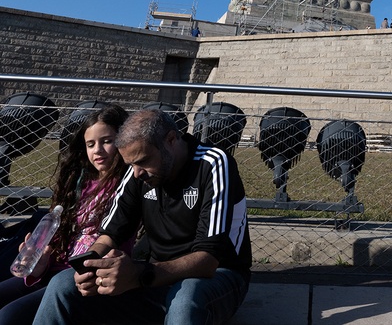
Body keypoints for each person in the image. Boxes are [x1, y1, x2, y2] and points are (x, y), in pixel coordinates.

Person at [32, 110, 251, 325]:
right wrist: (89, 265)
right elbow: (112, 232)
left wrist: (138, 275)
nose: (136, 173)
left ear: (171, 140)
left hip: (217, 278)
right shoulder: (137, 171)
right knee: (63, 283)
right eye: (130, 165)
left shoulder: (213, 163)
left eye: (143, 161)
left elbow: (209, 260)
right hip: (156, 277)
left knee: (185, 299)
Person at [0, 105, 130, 325]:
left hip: (82, 278)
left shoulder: (129, 185)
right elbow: (60, 234)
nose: (97, 150)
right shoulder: (79, 183)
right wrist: (41, 260)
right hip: (51, 269)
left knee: (8, 316)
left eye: (106, 141)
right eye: (90, 144)